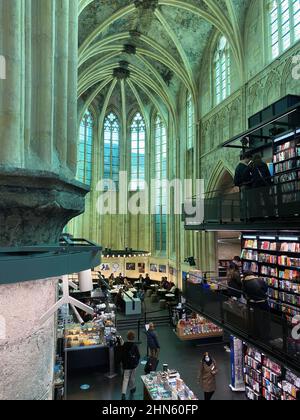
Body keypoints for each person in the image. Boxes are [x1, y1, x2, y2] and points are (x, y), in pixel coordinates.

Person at [121, 331, 140, 401]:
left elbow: (122, 355)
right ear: (133, 338)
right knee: (132, 377)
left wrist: (122, 363)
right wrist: (136, 362)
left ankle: (123, 394)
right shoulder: (134, 346)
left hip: (126, 365)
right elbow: (138, 355)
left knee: (125, 379)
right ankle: (132, 388)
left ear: (127, 337)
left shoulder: (124, 345)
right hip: (133, 365)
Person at [234, 151, 253, 220]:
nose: (250, 161)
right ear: (246, 158)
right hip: (245, 186)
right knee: (247, 202)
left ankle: (244, 217)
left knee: (244, 201)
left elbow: (236, 180)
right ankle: (247, 217)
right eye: (249, 159)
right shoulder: (243, 167)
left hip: (242, 186)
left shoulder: (238, 167)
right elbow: (245, 177)